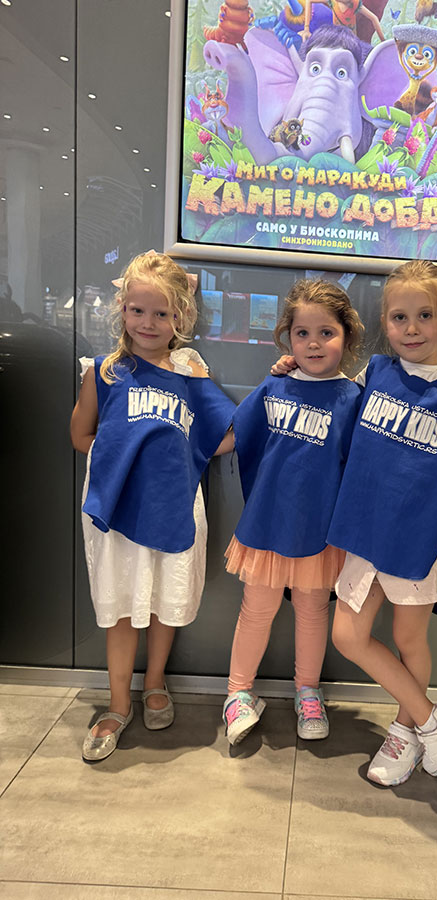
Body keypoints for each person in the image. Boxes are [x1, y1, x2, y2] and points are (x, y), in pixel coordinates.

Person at [275, 260, 437, 785]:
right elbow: (328, 388)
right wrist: (292, 367)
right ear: (384, 322)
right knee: (348, 635)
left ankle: (405, 732)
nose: (412, 328)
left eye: (425, 315)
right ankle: (435, 721)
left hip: (419, 537)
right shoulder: (375, 373)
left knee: (409, 640)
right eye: (400, 317)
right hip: (364, 532)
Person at [71, 250, 235, 762]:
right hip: (119, 511)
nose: (148, 322)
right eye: (138, 310)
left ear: (180, 317)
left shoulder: (189, 371)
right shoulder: (104, 371)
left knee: (166, 601)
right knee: (121, 608)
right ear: (122, 309)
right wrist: (126, 456)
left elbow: (224, 436)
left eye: (161, 313)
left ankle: (155, 682)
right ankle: (118, 703)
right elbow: (81, 436)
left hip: (175, 506)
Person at [221, 279, 363, 745]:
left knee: (312, 610)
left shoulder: (354, 398)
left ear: (347, 336)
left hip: (319, 528)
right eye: (302, 333)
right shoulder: (275, 384)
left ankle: (308, 691)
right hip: (267, 522)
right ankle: (238, 693)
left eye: (326, 332)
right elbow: (237, 435)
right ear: (287, 337)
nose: (313, 343)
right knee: (257, 609)